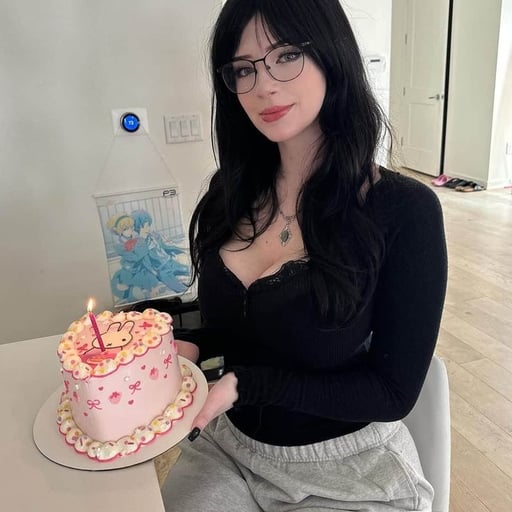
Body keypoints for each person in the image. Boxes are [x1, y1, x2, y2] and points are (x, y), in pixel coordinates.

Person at [162, 0, 447, 510]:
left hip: (348, 467)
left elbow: (393, 392)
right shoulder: (228, 195)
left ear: (331, 56)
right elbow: (248, 326)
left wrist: (249, 386)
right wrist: (192, 346)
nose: (264, 86)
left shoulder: (403, 211)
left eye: (287, 55)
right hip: (231, 449)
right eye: (243, 69)